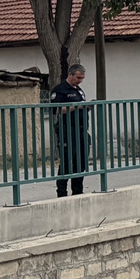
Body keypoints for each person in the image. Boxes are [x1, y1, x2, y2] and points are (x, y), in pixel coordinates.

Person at [49, 63, 89, 197]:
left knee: (81, 162)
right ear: (70, 75)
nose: (80, 80)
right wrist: (77, 106)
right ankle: (62, 193)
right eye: (78, 77)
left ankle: (78, 191)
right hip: (67, 131)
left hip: (81, 130)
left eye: (82, 78)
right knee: (66, 162)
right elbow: (56, 110)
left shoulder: (79, 90)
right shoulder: (60, 90)